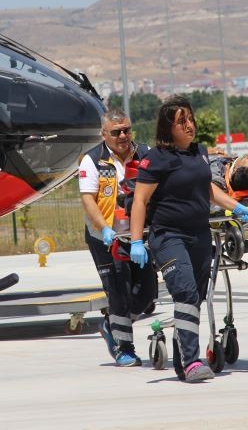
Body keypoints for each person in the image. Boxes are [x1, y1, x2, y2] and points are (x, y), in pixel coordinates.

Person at [128, 96, 248, 383]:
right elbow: (139, 201)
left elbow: (207, 188)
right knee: (185, 294)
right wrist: (137, 241)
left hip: (199, 235)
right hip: (169, 237)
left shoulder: (199, 152)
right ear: (168, 127)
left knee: (194, 299)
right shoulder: (156, 159)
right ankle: (192, 361)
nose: (189, 125)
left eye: (190, 119)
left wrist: (236, 206)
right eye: (181, 121)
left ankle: (182, 362)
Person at [79, 109, 155, 367]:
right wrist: (104, 229)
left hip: (137, 236)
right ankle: (124, 348)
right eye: (116, 132)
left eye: (126, 130)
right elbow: (88, 199)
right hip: (106, 238)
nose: (123, 135)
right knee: (119, 292)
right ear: (104, 134)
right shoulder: (92, 160)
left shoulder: (145, 154)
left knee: (148, 291)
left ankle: (111, 325)